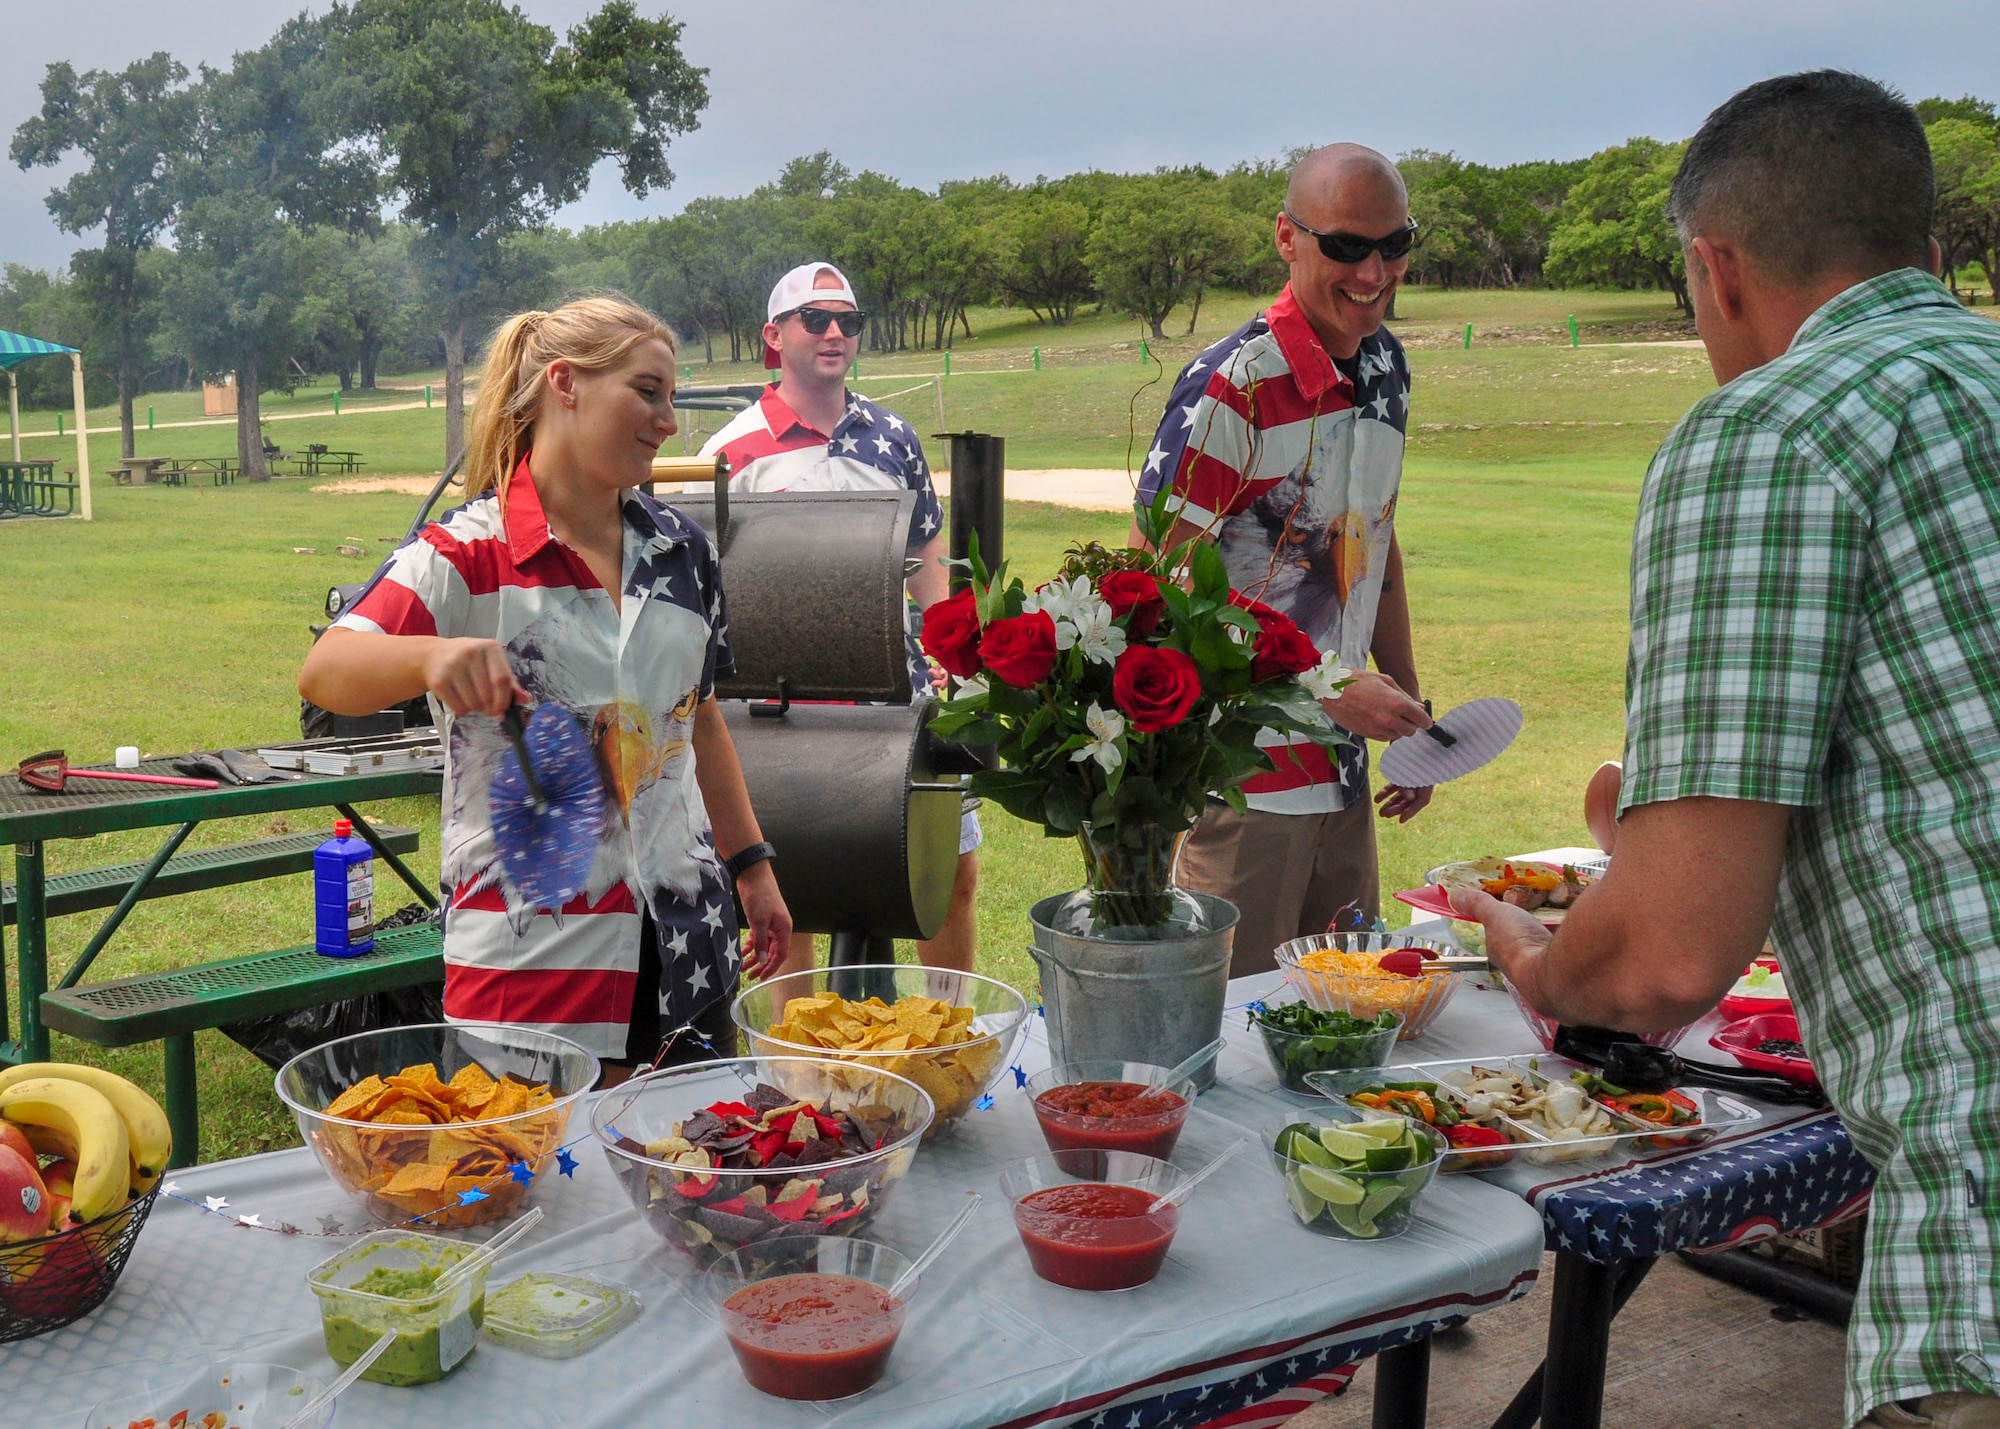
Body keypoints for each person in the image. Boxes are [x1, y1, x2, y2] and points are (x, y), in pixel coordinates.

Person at [1450, 73, 2000, 1429]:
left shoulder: (1773, 428)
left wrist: (1544, 962)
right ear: (1926, 249)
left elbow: (1662, 960)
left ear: (1715, 269)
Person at [300, 295, 792, 1082]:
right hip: (531, 978)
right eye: (648, 391)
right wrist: (429, 657)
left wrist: (754, 868)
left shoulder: (684, 552)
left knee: (684, 1184)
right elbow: (327, 671)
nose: (669, 419)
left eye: (671, 397)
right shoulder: (464, 552)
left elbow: (698, 721)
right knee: (531, 1197)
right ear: (565, 383)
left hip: (687, 957)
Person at [1135, 144, 1436, 975]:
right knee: (1229, 1033)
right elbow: (1165, 579)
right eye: (1345, 246)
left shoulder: (1386, 367)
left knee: (1341, 1027)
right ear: (1287, 238)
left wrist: (1410, 702)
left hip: (1342, 774)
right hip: (1243, 775)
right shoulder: (1232, 384)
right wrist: (1330, 687)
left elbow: (1373, 536)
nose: (1374, 271)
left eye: (1395, 244)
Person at [701, 261, 981, 976]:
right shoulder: (727, 454)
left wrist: (962, 653)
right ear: (773, 336)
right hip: (778, 710)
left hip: (900, 697)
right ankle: (797, 1073)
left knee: (946, 873)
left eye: (847, 321)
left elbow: (926, 558)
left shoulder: (894, 437)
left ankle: (943, 1048)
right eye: (815, 319)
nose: (834, 333)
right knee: (787, 902)